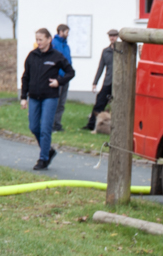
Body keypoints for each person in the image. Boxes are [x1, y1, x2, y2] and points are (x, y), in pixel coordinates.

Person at [21, 28, 75, 170]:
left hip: (50, 98)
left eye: (40, 39)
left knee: (45, 128)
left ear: (49, 39)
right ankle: (49, 150)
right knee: (34, 127)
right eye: (36, 39)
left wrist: (59, 82)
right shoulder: (32, 56)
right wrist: (23, 97)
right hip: (34, 97)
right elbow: (25, 77)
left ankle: (43, 159)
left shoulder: (56, 56)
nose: (38, 42)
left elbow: (71, 72)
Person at [85, 29, 119, 131]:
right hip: (108, 81)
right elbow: (101, 67)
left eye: (114, 35)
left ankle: (117, 126)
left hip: (119, 83)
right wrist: (95, 82)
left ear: (118, 37)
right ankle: (91, 125)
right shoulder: (106, 51)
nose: (112, 37)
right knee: (100, 102)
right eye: (110, 36)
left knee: (119, 104)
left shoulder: (123, 51)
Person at [51, 24, 72, 132]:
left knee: (62, 103)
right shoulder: (54, 44)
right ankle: (51, 124)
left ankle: (57, 124)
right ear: (61, 31)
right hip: (57, 77)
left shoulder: (66, 46)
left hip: (65, 78)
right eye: (66, 32)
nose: (68, 34)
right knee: (55, 101)